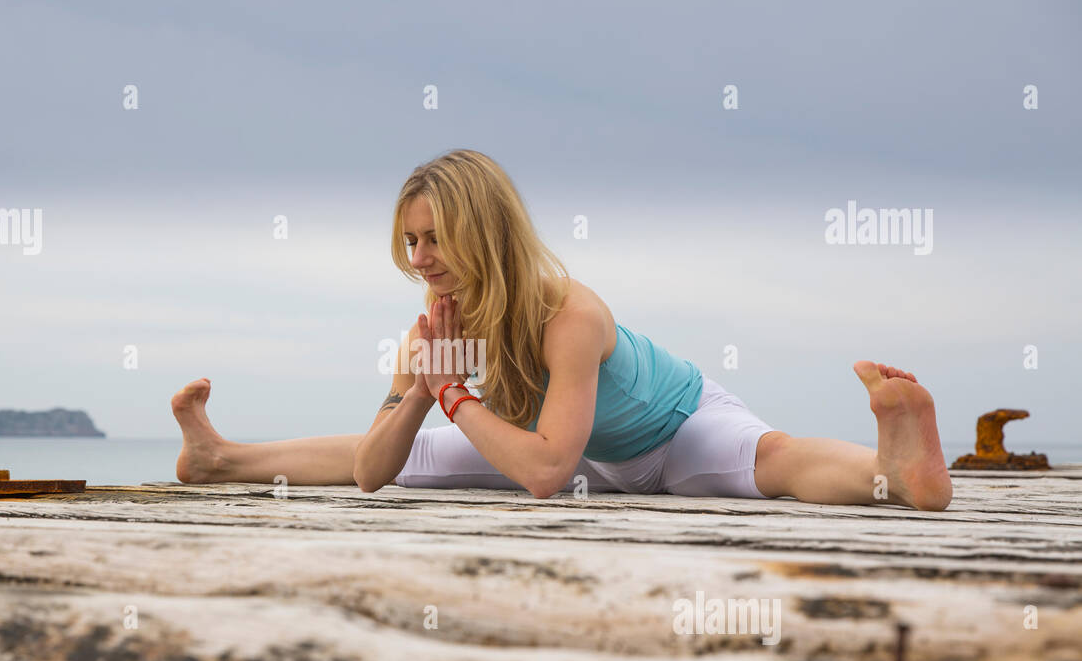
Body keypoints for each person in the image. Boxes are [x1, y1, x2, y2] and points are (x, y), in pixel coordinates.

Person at [171, 149, 952, 511]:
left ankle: (894, 470)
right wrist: (421, 389)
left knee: (774, 459)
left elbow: (545, 477)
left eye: (435, 237)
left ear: (485, 230)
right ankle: (219, 458)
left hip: (671, 435)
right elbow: (374, 470)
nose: (420, 258)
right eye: (410, 241)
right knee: (393, 451)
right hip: (574, 457)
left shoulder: (568, 314)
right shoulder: (432, 329)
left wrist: (448, 390)